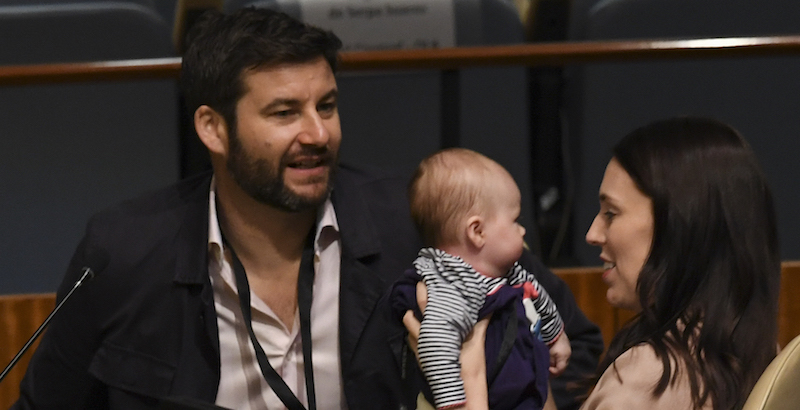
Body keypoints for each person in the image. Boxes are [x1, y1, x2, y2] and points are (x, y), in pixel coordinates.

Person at [12, 7, 602, 410]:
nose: (318, 133)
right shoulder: (123, 252)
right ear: (213, 129)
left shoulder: (415, 226)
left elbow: (576, 354)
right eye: (284, 113)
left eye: (328, 105)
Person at [581, 117, 781, 410]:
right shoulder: (761, 356)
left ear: (681, 227)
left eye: (611, 213)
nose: (592, 234)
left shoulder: (645, 383)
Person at [392, 148, 571, 410]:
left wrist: (556, 337)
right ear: (477, 231)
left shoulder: (506, 271)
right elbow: (433, 343)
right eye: (515, 220)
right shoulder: (451, 288)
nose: (522, 230)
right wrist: (453, 402)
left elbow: (536, 293)